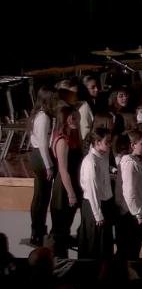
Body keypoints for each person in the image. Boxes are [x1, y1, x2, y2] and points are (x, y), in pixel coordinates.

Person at [49, 106, 82, 257]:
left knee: (66, 226)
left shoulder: (73, 137)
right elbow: (63, 170)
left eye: (77, 117)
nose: (76, 121)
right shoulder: (62, 140)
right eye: (73, 118)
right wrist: (71, 193)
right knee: (60, 229)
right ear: (64, 119)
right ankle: (57, 259)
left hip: (73, 183)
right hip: (64, 188)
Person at [78, 128, 114, 259]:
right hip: (94, 205)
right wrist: (98, 215)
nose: (110, 144)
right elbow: (92, 190)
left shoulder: (104, 155)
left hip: (105, 202)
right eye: (107, 141)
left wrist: (112, 170)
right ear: (97, 142)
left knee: (105, 244)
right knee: (94, 243)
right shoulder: (90, 161)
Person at [29, 86, 56, 246]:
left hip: (38, 155)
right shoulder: (43, 117)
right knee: (41, 197)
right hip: (41, 157)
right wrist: (49, 166)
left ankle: (38, 229)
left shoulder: (38, 115)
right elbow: (43, 144)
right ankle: (37, 231)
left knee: (40, 196)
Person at [117, 130, 142, 261]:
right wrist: (137, 212)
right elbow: (129, 191)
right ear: (132, 145)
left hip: (134, 214)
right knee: (129, 251)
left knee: (133, 249)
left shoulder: (134, 161)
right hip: (131, 214)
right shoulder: (129, 163)